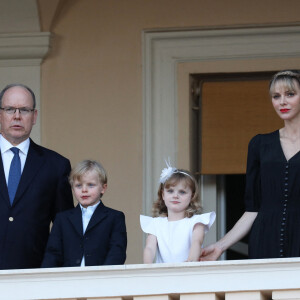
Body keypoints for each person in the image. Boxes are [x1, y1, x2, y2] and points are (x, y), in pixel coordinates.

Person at [201, 70, 300, 260]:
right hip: (264, 239)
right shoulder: (259, 145)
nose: (282, 102)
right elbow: (252, 209)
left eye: (290, 94)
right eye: (276, 96)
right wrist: (220, 246)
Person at [0, 83, 74, 269]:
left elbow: (63, 228)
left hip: (35, 275)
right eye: (10, 109)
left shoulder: (56, 165)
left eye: (24, 110)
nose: (17, 116)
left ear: (34, 116)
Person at [41, 160, 127, 267]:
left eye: (91, 185)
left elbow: (117, 252)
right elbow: (53, 254)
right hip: (68, 280)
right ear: (72, 188)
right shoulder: (62, 219)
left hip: (102, 279)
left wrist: (104, 277)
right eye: (78, 186)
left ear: (103, 188)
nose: (84, 190)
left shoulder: (115, 217)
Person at [140, 162, 215, 263]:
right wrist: (147, 268)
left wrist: (190, 262)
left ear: (192, 196)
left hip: (188, 272)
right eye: (170, 191)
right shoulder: (156, 224)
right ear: (163, 195)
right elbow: (149, 248)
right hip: (163, 275)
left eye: (182, 192)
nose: (175, 196)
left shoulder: (196, 222)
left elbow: (196, 242)